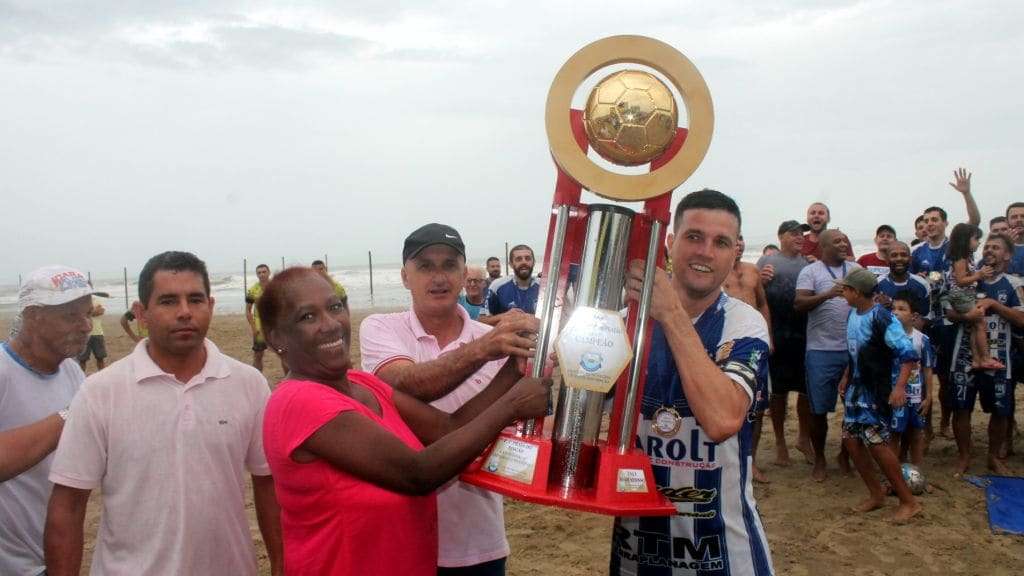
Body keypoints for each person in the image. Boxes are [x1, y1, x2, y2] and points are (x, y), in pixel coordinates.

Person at [44, 251, 284, 576]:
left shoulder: (249, 384)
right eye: (168, 301)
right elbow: (68, 506)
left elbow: (268, 485)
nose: (185, 312)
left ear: (210, 306)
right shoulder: (101, 391)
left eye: (195, 300)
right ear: (142, 313)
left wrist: (282, 565)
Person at [360, 223, 541, 575]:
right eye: (425, 266)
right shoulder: (380, 328)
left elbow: (493, 431)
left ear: (464, 274)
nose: (438, 276)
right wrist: (483, 350)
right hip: (399, 537)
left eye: (448, 265)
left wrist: (538, 365)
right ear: (404, 276)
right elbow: (407, 382)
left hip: (479, 542)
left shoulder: (500, 342)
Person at [612, 189, 774, 576]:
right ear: (669, 243)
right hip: (635, 552)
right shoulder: (624, 324)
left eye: (720, 243)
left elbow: (722, 420)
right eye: (694, 237)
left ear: (735, 252)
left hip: (722, 553)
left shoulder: (744, 323)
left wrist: (669, 313)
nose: (705, 252)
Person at [0, 265, 93, 576]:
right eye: (71, 316)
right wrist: (72, 415)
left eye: (88, 314)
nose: (85, 326)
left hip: (49, 557)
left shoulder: (72, 371)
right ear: (33, 316)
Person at [836, 268, 921, 523]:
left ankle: (909, 501)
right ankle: (876, 494)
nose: (843, 292)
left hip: (875, 389)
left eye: (846, 289)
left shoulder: (882, 318)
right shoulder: (853, 313)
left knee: (877, 443)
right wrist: (846, 376)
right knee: (851, 441)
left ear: (857, 292)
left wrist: (899, 388)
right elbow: (856, 351)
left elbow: (908, 354)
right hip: (856, 387)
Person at [945, 234, 1024, 476]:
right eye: (986, 246)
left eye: (996, 247)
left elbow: (1022, 320)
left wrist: (994, 304)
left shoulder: (1013, 283)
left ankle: (993, 457)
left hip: (999, 355)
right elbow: (948, 311)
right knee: (961, 408)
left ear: (1007, 255)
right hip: (964, 354)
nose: (989, 250)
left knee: (1000, 410)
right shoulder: (969, 278)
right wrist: (965, 316)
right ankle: (964, 456)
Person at [795, 229, 862, 481]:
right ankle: (820, 459)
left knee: (854, 408)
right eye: (837, 241)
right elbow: (799, 304)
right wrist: (827, 295)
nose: (844, 244)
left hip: (853, 350)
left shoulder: (855, 269)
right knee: (818, 410)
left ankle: (844, 455)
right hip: (821, 350)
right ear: (823, 247)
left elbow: (869, 301)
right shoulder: (811, 272)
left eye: (845, 240)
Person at [757, 220, 814, 467]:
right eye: (793, 233)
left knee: (805, 390)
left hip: (805, 333)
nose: (799, 236)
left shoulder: (810, 264)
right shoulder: (766, 262)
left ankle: (803, 437)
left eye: (802, 233)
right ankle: (780, 442)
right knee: (778, 393)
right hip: (777, 333)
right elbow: (755, 293)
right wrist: (761, 280)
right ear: (780, 236)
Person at [723, 236, 772, 483]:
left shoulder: (753, 271)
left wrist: (768, 337)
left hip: (756, 345)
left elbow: (763, 305)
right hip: (728, 346)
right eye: (735, 239)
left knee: (758, 407)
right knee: (729, 404)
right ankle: (731, 461)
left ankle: (750, 461)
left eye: (742, 239)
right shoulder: (717, 273)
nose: (740, 243)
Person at [946, 223, 1002, 370]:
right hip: (960, 295)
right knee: (980, 323)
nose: (979, 243)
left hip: (964, 295)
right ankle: (985, 357)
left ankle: (977, 359)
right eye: (976, 239)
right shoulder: (961, 258)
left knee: (975, 326)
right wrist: (979, 275)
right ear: (965, 240)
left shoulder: (968, 258)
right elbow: (960, 281)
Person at [889, 292, 935, 466]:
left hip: (915, 396)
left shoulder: (922, 340)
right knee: (894, 434)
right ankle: (892, 476)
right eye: (893, 308)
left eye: (902, 309)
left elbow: (927, 370)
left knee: (916, 434)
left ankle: (917, 473)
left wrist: (928, 396)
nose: (895, 312)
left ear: (914, 316)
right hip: (894, 395)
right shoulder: (887, 339)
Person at [876, 242, 931, 321]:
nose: (899, 258)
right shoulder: (877, 284)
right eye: (894, 255)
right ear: (887, 260)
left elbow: (924, 318)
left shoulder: (922, 284)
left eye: (904, 255)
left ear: (910, 259)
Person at [486, 244, 539, 317]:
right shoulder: (497, 286)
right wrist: (505, 316)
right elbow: (482, 320)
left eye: (528, 258)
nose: (524, 262)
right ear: (510, 264)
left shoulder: (545, 287)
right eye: (518, 259)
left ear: (534, 262)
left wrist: (532, 319)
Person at [246, 263, 272, 372]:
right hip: (259, 325)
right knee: (258, 354)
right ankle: (257, 380)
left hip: (275, 323)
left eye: (264, 272)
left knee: (283, 353)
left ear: (269, 272)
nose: (262, 274)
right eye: (259, 273)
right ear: (257, 275)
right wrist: (253, 328)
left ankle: (287, 381)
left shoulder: (277, 287)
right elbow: (248, 311)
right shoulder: (252, 290)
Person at [1004, 202, 1024, 275]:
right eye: (1014, 217)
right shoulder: (996, 246)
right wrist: (1007, 247)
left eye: (1023, 216)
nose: (1019, 220)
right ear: (1006, 222)